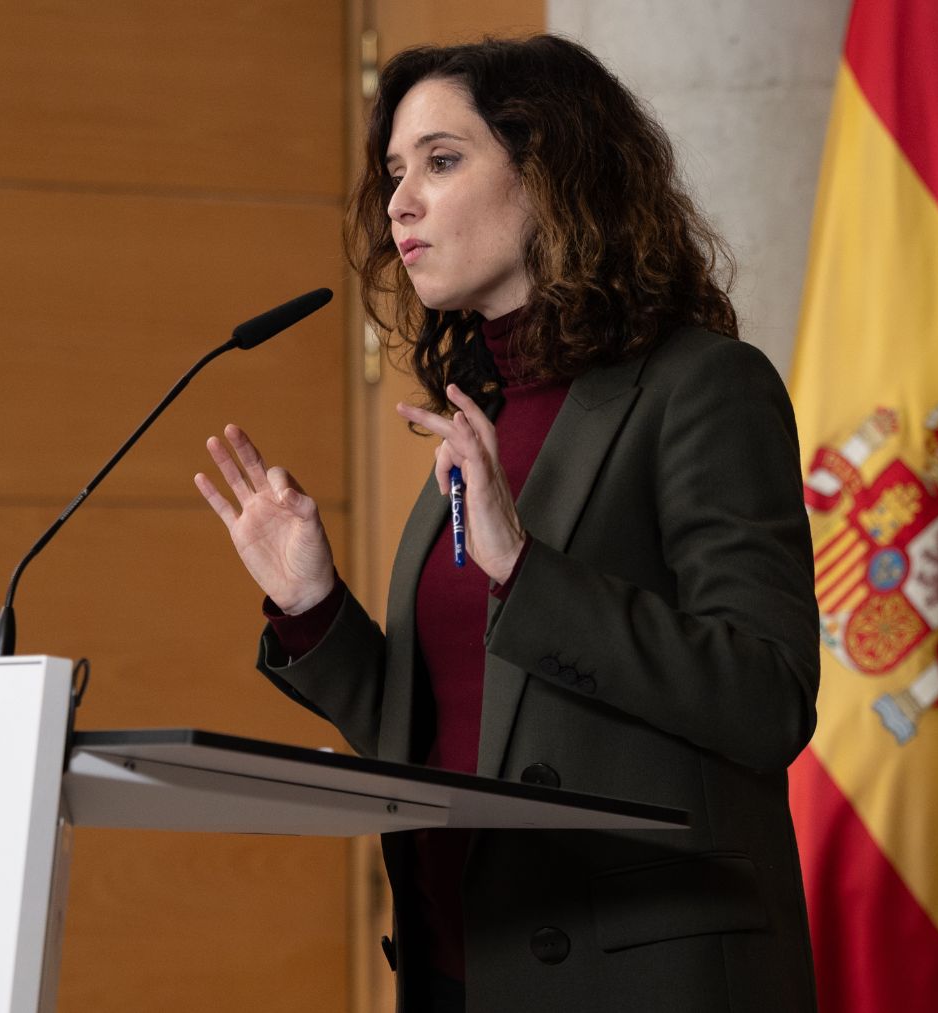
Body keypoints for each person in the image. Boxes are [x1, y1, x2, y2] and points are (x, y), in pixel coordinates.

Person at [195, 35, 819, 1013]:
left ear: (552, 173)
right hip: (461, 969)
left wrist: (525, 569)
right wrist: (313, 605)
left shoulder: (701, 388)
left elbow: (768, 696)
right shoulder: (477, 401)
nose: (400, 202)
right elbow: (450, 735)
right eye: (396, 172)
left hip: (643, 980)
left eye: (441, 162)